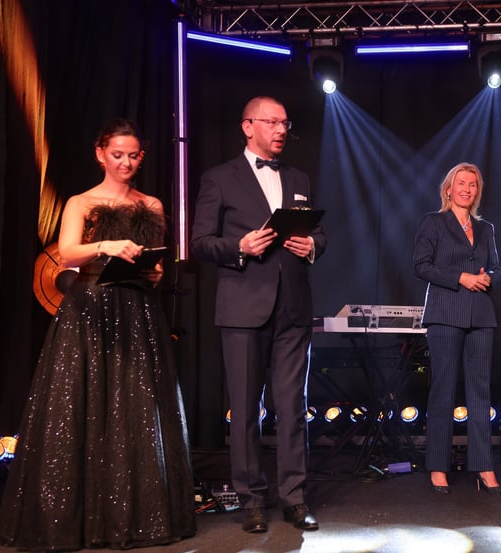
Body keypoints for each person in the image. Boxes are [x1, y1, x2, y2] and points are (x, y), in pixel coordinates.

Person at [0, 119, 196, 550]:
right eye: (118, 154)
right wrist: (106, 246)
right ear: (100, 154)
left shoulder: (152, 204)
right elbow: (67, 253)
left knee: (136, 410)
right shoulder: (81, 202)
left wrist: (155, 271)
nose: (126, 162)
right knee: (81, 406)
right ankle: (79, 520)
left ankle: (135, 516)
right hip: (90, 309)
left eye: (134, 155)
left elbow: (156, 265)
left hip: (138, 310)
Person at [191, 96, 326, 533]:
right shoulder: (219, 178)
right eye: (271, 122)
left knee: (293, 407)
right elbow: (200, 242)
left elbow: (319, 232)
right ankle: (251, 500)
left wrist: (313, 245)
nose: (281, 130)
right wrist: (240, 247)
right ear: (247, 126)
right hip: (243, 307)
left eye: (285, 123)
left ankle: (294, 498)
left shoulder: (299, 177)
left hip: (293, 309)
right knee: (246, 410)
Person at [413, 162, 501, 495]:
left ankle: (483, 466)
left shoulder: (486, 228)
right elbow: (421, 266)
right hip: (445, 314)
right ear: (449, 189)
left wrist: (488, 278)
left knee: (480, 393)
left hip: (481, 316)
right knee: (443, 390)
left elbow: (495, 267)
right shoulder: (433, 222)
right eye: (461, 183)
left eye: (472, 184)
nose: (467, 189)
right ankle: (438, 466)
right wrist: (461, 278)